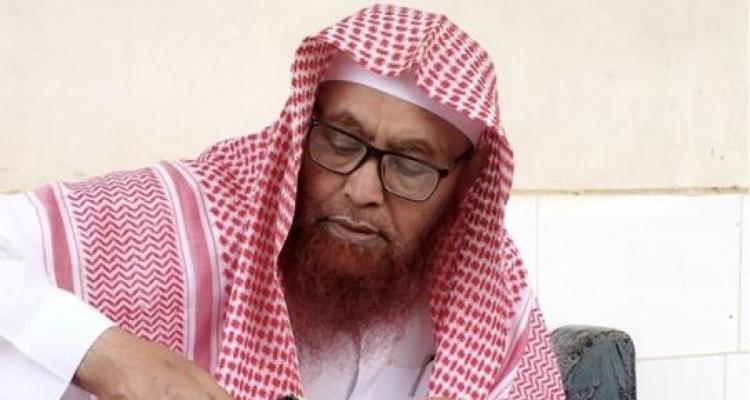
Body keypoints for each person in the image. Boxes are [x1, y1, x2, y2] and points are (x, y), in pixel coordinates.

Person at [0, 4, 565, 400]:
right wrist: (106, 353)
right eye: (340, 143)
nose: (362, 190)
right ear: (301, 133)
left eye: (410, 166)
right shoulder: (193, 218)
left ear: (464, 186)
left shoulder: (491, 302)